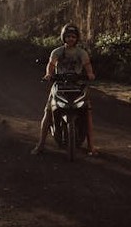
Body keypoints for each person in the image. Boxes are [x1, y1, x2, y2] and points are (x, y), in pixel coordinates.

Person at [31, 23, 97, 155]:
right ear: (63, 37)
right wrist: (49, 74)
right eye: (68, 36)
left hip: (78, 85)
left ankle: (91, 146)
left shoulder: (81, 52)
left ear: (77, 38)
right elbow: (51, 64)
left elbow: (87, 65)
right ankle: (41, 144)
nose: (70, 39)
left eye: (73, 36)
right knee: (48, 112)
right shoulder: (57, 52)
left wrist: (90, 74)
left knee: (87, 113)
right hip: (60, 85)